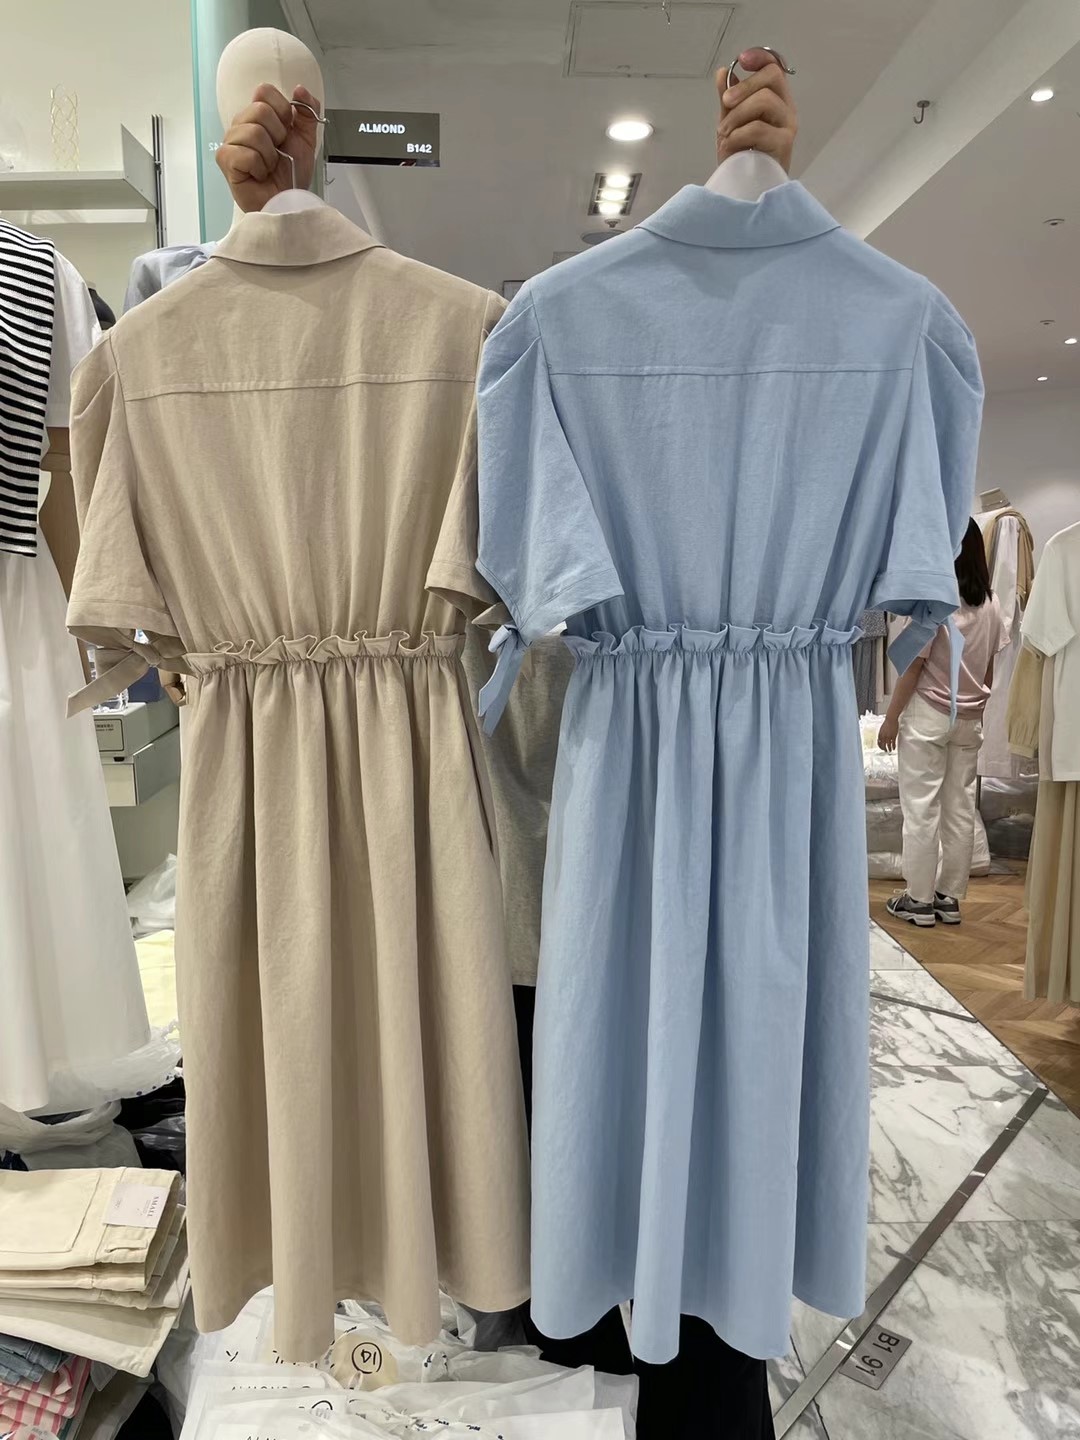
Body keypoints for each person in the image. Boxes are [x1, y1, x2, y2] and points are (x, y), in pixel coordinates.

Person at [215, 51, 798, 1440]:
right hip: (499, 937)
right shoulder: (459, 426)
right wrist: (268, 237)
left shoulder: (661, 544)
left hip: (639, 920)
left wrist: (763, 231)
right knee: (537, 1313)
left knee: (673, 1292)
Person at [878, 518, 1009, 927]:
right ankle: (948, 897)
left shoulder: (935, 602)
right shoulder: (992, 604)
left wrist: (891, 719)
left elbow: (914, 668)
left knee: (921, 809)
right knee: (959, 810)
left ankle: (918, 900)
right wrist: (977, 710)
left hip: (928, 714)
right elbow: (988, 669)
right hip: (969, 719)